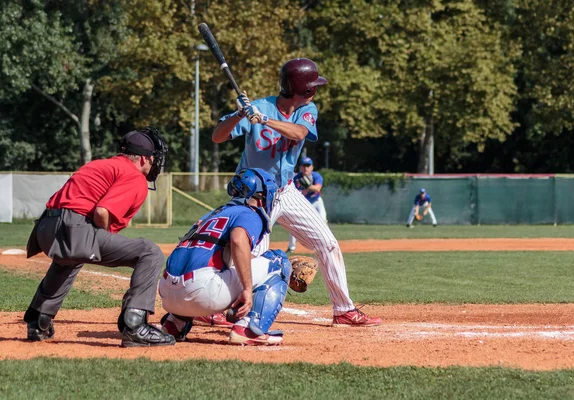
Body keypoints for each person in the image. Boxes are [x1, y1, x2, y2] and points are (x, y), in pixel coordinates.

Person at [211, 58, 381, 327]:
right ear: (305, 88)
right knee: (251, 256)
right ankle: (223, 308)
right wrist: (239, 115)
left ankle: (344, 310)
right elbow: (218, 137)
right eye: (313, 85)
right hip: (256, 195)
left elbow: (299, 133)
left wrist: (264, 120)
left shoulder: (306, 109)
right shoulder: (258, 106)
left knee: (327, 243)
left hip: (285, 191)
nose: (315, 90)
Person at [24, 127, 176, 347]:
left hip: (45, 227)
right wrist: (100, 236)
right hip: (73, 227)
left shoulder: (99, 164)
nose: (154, 164)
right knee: (150, 252)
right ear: (143, 158)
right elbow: (102, 212)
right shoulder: (134, 176)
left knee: (71, 259)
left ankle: (39, 319)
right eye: (153, 159)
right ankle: (135, 325)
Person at [159, 168, 291, 346]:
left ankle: (175, 323)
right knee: (279, 261)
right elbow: (238, 240)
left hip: (168, 294)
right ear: (260, 195)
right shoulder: (249, 212)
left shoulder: (212, 214)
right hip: (201, 293)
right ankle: (248, 330)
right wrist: (247, 288)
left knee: (208, 264)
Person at [286, 156, 327, 254]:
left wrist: (308, 186)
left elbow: (317, 189)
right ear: (300, 167)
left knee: (323, 222)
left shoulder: (316, 176)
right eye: (304, 165)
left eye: (308, 166)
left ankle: (324, 246)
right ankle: (291, 247)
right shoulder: (296, 178)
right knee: (293, 223)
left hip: (316, 201)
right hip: (303, 203)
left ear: (312, 167)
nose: (306, 168)